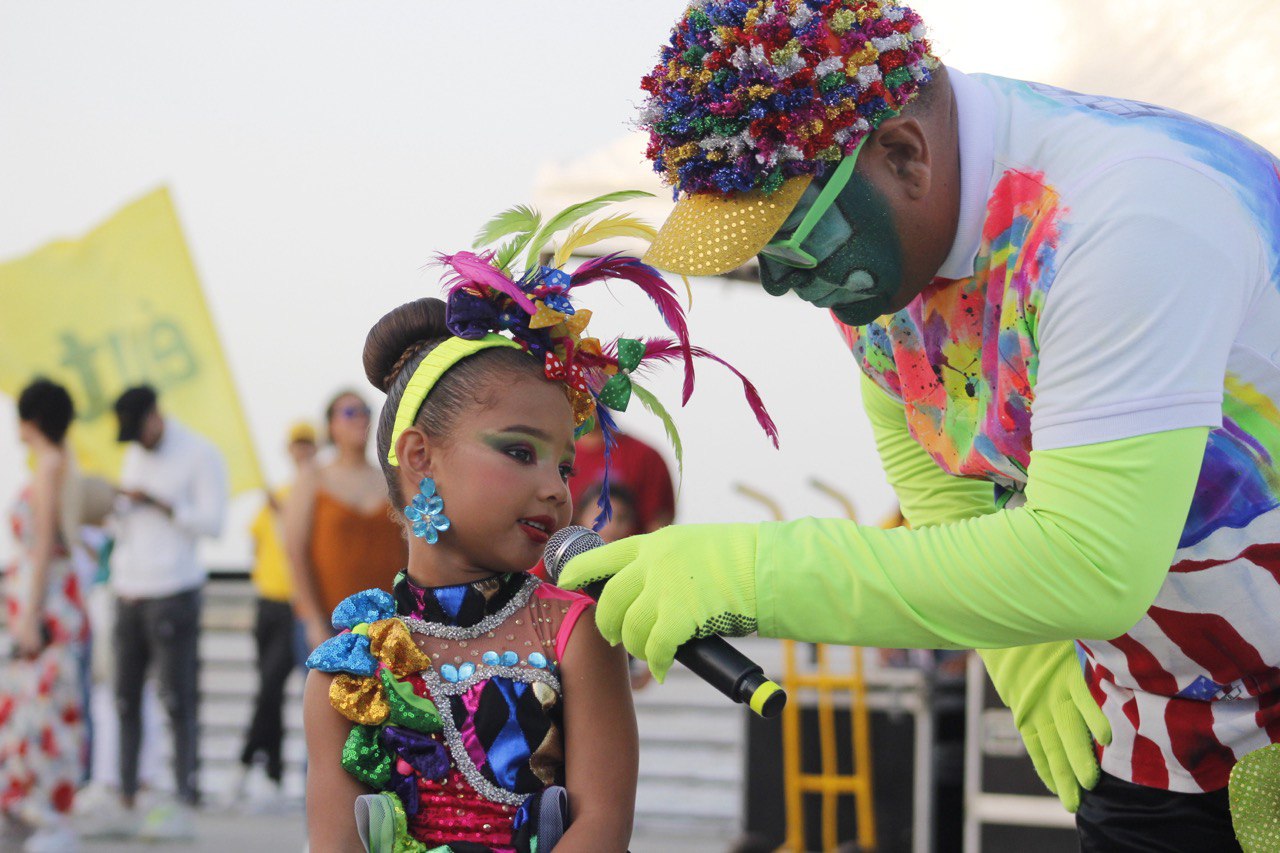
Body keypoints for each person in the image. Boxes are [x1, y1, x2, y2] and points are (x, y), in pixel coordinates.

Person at [557, 2, 1280, 849]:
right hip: (1156, 737)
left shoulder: (1129, 215)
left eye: (794, 239)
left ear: (904, 154)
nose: (783, 284)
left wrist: (750, 571)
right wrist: (1025, 655)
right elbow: (927, 455)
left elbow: (1092, 563)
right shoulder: (888, 264)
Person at [303, 195, 775, 852]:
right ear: (419, 460)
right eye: (521, 452)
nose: (557, 489)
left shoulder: (576, 632)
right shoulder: (348, 667)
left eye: (564, 464)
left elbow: (602, 825)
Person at [102, 385, 227, 840]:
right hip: (127, 589)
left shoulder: (199, 453)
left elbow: (214, 523)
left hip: (173, 590)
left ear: (155, 417)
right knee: (124, 699)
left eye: (140, 431)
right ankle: (126, 794)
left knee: (177, 699)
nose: (137, 441)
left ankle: (183, 794)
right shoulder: (134, 454)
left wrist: (160, 502)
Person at [1, 379, 89, 852]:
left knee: (43, 709)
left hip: (45, 601)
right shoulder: (55, 462)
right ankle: (28, 811)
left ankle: (48, 814)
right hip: (43, 597)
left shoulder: (51, 464)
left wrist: (29, 613)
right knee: (32, 707)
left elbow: (41, 546)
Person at [230, 421, 317, 807]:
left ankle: (252, 762)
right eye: (298, 445)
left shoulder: (312, 496)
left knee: (278, 687)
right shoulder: (277, 497)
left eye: (307, 445)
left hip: (296, 606)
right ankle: (272, 770)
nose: (302, 452)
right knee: (270, 687)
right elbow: (256, 544)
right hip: (269, 601)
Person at [285, 391, 406, 657]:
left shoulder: (390, 480)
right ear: (331, 425)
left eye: (365, 411)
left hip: (386, 623)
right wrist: (313, 620)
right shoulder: (312, 477)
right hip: (330, 623)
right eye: (350, 412)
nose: (360, 418)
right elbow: (295, 550)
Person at [568, 425, 674, 533]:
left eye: (621, 517)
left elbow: (659, 525)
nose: (610, 527)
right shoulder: (563, 455)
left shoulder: (646, 456)